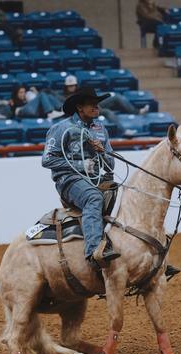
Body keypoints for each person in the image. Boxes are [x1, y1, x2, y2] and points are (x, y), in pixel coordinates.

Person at [42, 86, 121, 268]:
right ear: (80, 107)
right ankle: (94, 253)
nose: (96, 107)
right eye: (92, 104)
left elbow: (110, 165)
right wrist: (80, 165)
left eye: (97, 104)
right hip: (69, 181)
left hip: (95, 179)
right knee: (93, 197)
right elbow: (47, 160)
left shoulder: (101, 130)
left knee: (128, 197)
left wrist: (102, 153)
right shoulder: (61, 129)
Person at [59, 75, 149, 137]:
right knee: (107, 112)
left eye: (73, 85)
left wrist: (95, 104)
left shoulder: (80, 92)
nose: (71, 87)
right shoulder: (63, 97)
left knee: (116, 97)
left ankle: (137, 111)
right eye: (69, 86)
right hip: (84, 111)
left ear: (76, 85)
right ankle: (123, 131)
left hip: (93, 105)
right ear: (66, 87)